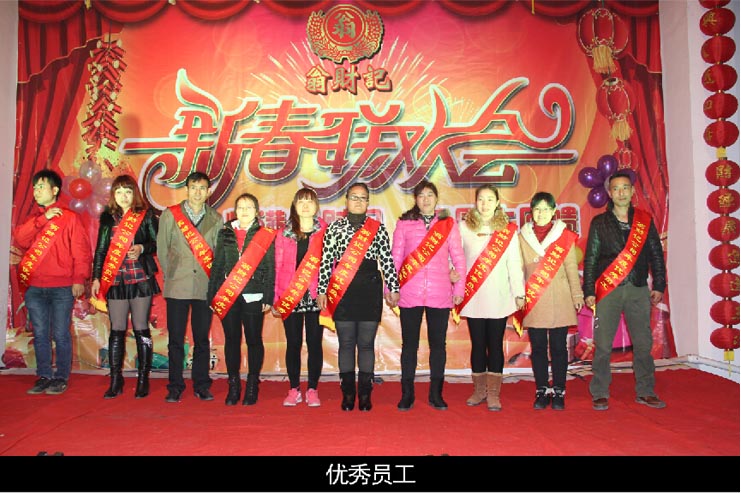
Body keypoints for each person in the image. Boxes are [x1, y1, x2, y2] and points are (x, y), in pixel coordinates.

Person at [583, 171, 667, 411]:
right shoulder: (600, 222)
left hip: (638, 288)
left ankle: (646, 390)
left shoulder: (644, 221)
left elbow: (656, 255)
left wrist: (659, 284)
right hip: (608, 290)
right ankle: (600, 391)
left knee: (643, 343)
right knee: (603, 345)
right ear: (610, 193)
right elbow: (591, 259)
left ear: (632, 192)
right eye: (616, 188)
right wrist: (589, 290)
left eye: (625, 188)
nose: (621, 192)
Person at [317, 183, 400, 412]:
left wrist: (393, 287)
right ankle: (347, 393)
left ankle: (364, 393)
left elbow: (387, 260)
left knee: (365, 344)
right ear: (346, 200)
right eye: (354, 197)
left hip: (369, 289)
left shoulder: (377, 228)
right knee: (346, 343)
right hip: (342, 291)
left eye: (363, 198)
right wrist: (322, 290)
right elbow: (326, 260)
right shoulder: (334, 228)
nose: (358, 201)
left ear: (368, 202)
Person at [14, 170, 92, 395]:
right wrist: (43, 219)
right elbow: (20, 239)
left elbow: (81, 251)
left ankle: (60, 377)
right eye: (35, 187)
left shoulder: (70, 218)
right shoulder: (34, 218)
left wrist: (78, 279)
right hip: (35, 288)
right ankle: (44, 375)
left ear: (55, 190)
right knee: (40, 334)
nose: (36, 191)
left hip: (61, 287)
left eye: (41, 186)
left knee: (60, 334)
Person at [391, 180, 465, 411]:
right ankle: (407, 395)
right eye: (421, 195)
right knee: (409, 346)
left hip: (439, 292)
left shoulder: (447, 224)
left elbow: (459, 258)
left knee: (438, 346)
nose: (426, 199)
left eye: (430, 195)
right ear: (415, 199)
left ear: (436, 198)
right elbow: (395, 259)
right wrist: (390, 288)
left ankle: (436, 394)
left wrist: (459, 288)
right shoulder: (404, 223)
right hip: (409, 292)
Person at [90, 175, 160, 399]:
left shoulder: (145, 215)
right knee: (117, 329)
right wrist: (96, 278)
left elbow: (158, 242)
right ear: (113, 195)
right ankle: (115, 379)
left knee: (141, 327)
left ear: (134, 194)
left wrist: (142, 248)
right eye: (119, 191)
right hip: (115, 279)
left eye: (128, 191)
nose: (123, 196)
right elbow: (101, 250)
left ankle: (143, 379)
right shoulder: (107, 218)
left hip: (140, 278)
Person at [456, 184, 525, 411]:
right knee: (477, 345)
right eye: (481, 199)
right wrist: (454, 279)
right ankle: (479, 391)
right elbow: (456, 258)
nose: (485, 204)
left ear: (497, 203)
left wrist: (519, 293)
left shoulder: (507, 230)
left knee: (495, 345)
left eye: (489, 199)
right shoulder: (464, 227)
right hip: (474, 296)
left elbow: (514, 263)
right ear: (475, 202)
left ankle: (494, 393)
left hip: (498, 296)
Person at [157, 171, 223, 403]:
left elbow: (217, 253)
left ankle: (201, 384)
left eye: (202, 188)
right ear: (186, 189)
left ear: (208, 191)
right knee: (176, 339)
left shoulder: (216, 218)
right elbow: (162, 250)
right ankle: (175, 385)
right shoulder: (170, 215)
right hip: (178, 285)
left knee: (201, 339)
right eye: (193, 187)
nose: (197, 192)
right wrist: (172, 275)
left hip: (204, 286)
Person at [208, 193, 276, 406]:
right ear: (235, 211)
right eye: (240, 207)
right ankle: (234, 385)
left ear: (257, 211)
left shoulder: (264, 235)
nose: (244, 211)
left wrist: (268, 295)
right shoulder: (225, 232)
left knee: (254, 340)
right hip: (228, 294)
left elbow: (270, 267)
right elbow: (217, 265)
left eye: (249, 207)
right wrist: (212, 295)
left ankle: (253, 384)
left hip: (254, 294)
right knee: (232, 340)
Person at [517, 192, 583, 410]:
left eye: (546, 209)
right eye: (537, 209)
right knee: (537, 347)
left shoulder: (564, 235)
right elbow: (518, 269)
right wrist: (518, 294)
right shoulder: (522, 236)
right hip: (534, 297)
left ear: (554, 211)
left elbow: (571, 267)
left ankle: (559, 389)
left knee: (558, 347)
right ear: (531, 212)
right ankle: (542, 389)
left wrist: (577, 295)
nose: (541, 213)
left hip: (560, 297)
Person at [272, 188, 327, 407]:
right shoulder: (283, 234)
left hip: (315, 295)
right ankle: (294, 388)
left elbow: (331, 264)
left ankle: (312, 389)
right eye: (301, 201)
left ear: (316, 206)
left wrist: (326, 292)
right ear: (294, 206)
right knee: (293, 343)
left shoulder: (325, 231)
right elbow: (277, 267)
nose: (305, 205)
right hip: (290, 295)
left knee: (314, 343)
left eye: (309, 201)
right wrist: (276, 298)